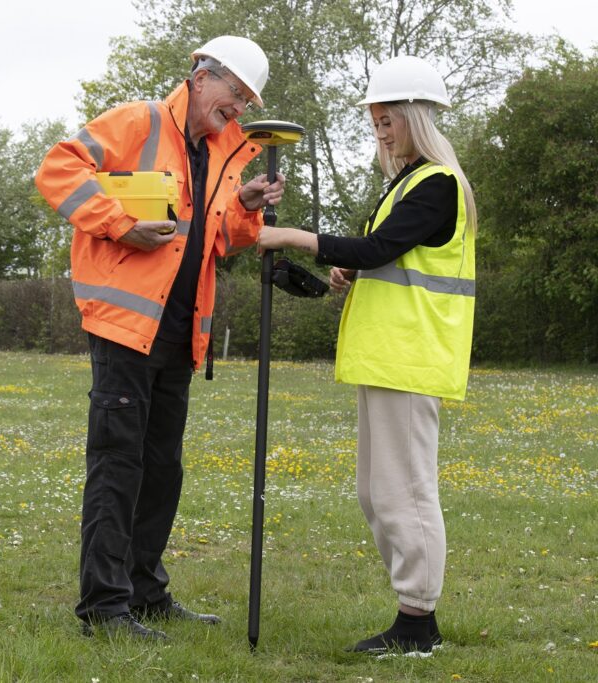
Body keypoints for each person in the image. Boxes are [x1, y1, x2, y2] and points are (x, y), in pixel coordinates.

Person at [35, 36, 285, 640]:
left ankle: (145, 592)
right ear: (201, 77)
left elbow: (220, 237)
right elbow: (58, 169)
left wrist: (247, 209)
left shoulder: (227, 152)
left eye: (249, 100)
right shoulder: (137, 121)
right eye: (236, 93)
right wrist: (120, 224)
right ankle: (104, 607)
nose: (240, 109)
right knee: (118, 467)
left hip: (180, 335)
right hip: (125, 329)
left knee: (161, 470)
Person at [257, 55, 477, 656]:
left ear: (416, 117)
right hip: (388, 359)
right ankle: (412, 616)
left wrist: (292, 236)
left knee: (404, 492)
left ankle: (417, 625)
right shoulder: (406, 183)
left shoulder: (437, 182)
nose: (380, 130)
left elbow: (381, 243)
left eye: (389, 119)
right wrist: (352, 268)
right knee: (378, 494)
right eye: (376, 121)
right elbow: (386, 253)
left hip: (410, 359)